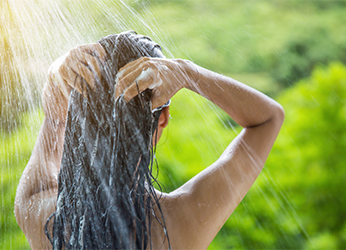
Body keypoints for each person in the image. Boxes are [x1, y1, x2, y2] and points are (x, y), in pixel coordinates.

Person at [14, 31, 284, 250]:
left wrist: (57, 71)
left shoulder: (40, 214)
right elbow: (269, 118)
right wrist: (187, 73)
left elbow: (55, 118)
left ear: (80, 116)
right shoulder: (180, 222)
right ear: (163, 118)